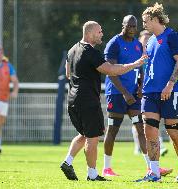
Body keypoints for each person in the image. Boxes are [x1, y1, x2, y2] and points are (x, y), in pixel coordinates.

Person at [60, 20, 147, 181]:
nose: (102, 34)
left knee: (84, 134)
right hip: (87, 100)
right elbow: (111, 70)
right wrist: (135, 64)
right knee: (93, 138)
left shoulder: (73, 49)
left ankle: (68, 161)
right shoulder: (91, 52)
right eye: (99, 31)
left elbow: (67, 74)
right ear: (90, 33)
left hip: (72, 99)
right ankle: (92, 175)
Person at [102, 16, 172, 177]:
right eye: (129, 26)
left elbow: (140, 67)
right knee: (113, 129)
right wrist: (125, 93)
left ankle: (151, 167)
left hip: (134, 95)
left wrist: (140, 86)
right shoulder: (114, 43)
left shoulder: (137, 45)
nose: (132, 29)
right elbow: (110, 71)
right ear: (123, 25)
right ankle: (107, 168)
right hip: (117, 94)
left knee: (141, 128)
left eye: (134, 26)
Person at [136, 3, 178, 183]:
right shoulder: (150, 40)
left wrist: (170, 84)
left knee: (172, 131)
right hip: (150, 92)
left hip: (171, 91)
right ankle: (154, 173)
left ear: (154, 19)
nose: (143, 24)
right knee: (149, 129)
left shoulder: (172, 36)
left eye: (145, 21)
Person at [132, 30, 168, 157]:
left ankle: (160, 146)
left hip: (150, 93)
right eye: (144, 38)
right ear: (139, 40)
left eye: (149, 38)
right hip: (135, 93)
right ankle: (139, 146)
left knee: (151, 121)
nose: (147, 41)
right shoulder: (134, 54)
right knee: (138, 122)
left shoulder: (154, 54)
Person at [0, 44, 19, 154]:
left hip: (4, 98)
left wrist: (14, 91)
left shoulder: (7, 66)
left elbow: (15, 81)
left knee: (0, 122)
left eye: (0, 52)